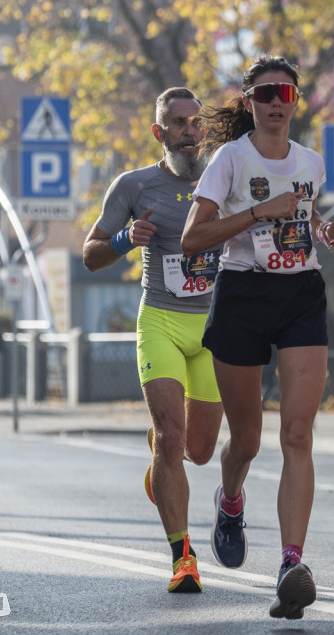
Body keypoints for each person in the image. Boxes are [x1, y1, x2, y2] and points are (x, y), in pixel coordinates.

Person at [180, 55, 334, 620]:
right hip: (242, 296)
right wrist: (259, 211)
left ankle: (291, 564)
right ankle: (230, 500)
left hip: (301, 293)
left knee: (298, 432)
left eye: (288, 93)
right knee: (247, 441)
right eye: (268, 92)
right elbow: (192, 238)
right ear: (250, 100)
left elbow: (306, 217)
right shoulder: (230, 159)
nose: (279, 101)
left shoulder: (311, 162)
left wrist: (325, 231)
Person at [82, 87, 224, 594]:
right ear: (158, 132)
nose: (189, 130)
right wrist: (124, 239)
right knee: (171, 435)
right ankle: (183, 557)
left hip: (213, 329)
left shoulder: (225, 178)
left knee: (201, 450)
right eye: (178, 122)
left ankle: (163, 458)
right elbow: (90, 252)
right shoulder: (134, 185)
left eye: (195, 122)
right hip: (161, 319)